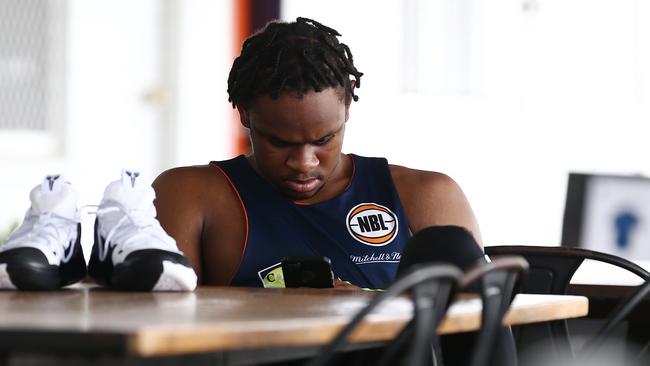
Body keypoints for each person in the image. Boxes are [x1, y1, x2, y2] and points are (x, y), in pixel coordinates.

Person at [152, 17, 482, 290]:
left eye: (324, 139)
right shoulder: (190, 195)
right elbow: (160, 330)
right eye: (279, 142)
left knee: (453, 247)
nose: (304, 163)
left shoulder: (426, 196)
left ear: (348, 106)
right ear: (244, 113)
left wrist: (366, 310)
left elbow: (474, 331)